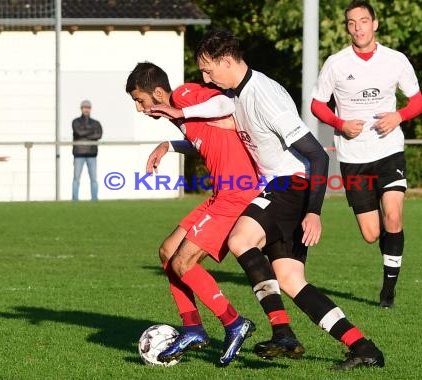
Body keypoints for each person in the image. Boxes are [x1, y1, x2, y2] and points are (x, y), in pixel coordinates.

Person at [150, 29, 384, 370]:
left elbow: (318, 156)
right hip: (285, 189)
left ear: (226, 61)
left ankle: (282, 331)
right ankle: (363, 347)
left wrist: (314, 212)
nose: (205, 78)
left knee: (241, 238)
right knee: (291, 280)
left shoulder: (263, 95)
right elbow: (219, 120)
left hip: (290, 185)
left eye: (208, 70)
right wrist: (175, 125)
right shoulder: (240, 95)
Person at [125, 61, 264, 366]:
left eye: (140, 100)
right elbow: (204, 141)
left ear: (159, 92)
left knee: (183, 262)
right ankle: (192, 327)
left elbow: (228, 101)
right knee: (167, 252)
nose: (139, 108)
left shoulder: (185, 95)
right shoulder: (177, 114)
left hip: (237, 195)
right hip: (221, 195)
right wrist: (168, 146)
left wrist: (184, 113)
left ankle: (233, 323)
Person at [311, 0, 422, 308]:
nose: (358, 27)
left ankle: (388, 290)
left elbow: (417, 101)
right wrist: (340, 123)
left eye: (363, 21)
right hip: (353, 157)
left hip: (389, 151)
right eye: (352, 22)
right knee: (371, 234)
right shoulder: (336, 63)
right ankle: (389, 255)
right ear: (347, 27)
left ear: (375, 24)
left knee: (394, 214)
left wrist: (398, 116)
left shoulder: (395, 60)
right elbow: (317, 105)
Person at [72, 100, 102, 201]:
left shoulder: (96, 122)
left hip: (92, 154)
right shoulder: (76, 122)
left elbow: (99, 135)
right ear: (81, 108)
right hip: (79, 154)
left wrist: (85, 130)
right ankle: (75, 200)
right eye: (84, 107)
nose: (86, 109)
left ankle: (94, 199)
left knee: (93, 179)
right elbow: (79, 132)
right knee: (76, 178)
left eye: (88, 107)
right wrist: (92, 131)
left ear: (90, 109)